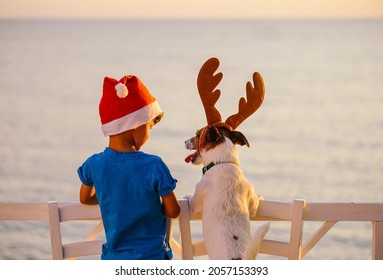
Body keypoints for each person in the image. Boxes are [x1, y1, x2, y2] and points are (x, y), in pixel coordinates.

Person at [77, 75, 180, 260]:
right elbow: (174, 211)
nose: (148, 135)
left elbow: (85, 198)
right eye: (149, 127)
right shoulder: (154, 165)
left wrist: (114, 197)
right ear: (135, 125)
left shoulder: (94, 164)